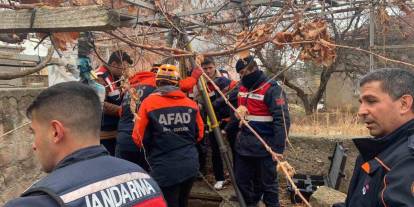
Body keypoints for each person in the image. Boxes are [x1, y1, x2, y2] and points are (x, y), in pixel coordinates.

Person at [4, 82, 167, 207]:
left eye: (34, 132)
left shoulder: (35, 202)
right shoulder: (144, 180)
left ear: (55, 131)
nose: (33, 145)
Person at [334, 68, 414, 207]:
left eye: (371, 101)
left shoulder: (408, 161)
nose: (361, 111)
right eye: (361, 102)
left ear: (404, 104)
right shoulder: (381, 148)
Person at [132, 65, 204, 207]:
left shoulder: (148, 103)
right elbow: (200, 134)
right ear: (177, 82)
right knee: (183, 201)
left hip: (164, 167)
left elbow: (138, 137)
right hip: (190, 164)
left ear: (157, 82)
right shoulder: (191, 104)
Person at [116, 64, 202, 170]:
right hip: (142, 141)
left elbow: (121, 112)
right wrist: (194, 77)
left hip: (122, 140)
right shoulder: (154, 82)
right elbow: (181, 85)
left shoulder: (130, 88)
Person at [234, 55, 290, 207]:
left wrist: (278, 149)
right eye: (240, 74)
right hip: (244, 146)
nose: (242, 77)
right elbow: (231, 104)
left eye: (244, 73)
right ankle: (251, 203)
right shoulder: (242, 87)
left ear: (254, 69)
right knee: (242, 181)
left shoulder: (272, 89)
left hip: (266, 147)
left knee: (268, 185)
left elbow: (282, 119)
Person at [95, 50, 133, 155]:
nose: (125, 71)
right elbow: (99, 103)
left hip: (114, 132)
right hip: (104, 135)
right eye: (123, 67)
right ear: (114, 64)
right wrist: (121, 110)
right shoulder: (100, 78)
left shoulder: (115, 78)